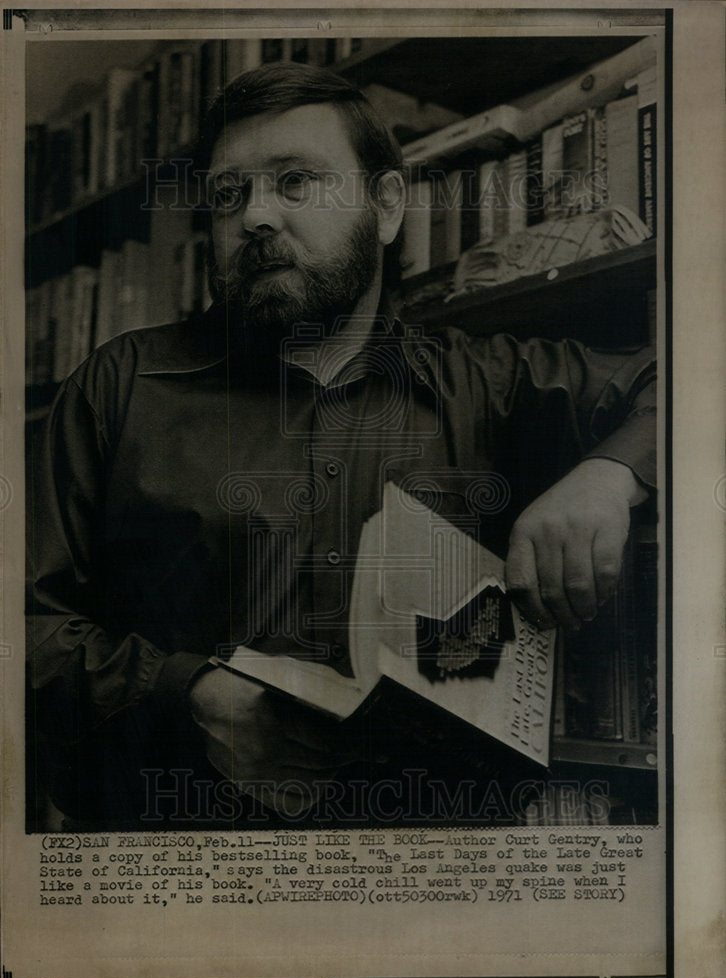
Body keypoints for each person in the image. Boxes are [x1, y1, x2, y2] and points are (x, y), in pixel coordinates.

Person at [26, 62, 656, 831]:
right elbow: (22, 631)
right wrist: (186, 695)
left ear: (387, 207)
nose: (256, 216)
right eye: (229, 195)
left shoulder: (481, 382)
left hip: (420, 890)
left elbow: (689, 381)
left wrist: (607, 473)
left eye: (296, 182)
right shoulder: (118, 386)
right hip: (177, 889)